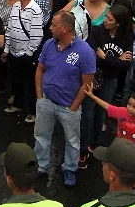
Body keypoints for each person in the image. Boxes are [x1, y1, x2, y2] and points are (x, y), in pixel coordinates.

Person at [34, 12, 95, 187]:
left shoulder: (85, 52)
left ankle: (70, 168)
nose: (50, 28)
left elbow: (87, 84)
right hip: (46, 101)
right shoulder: (48, 45)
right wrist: (39, 96)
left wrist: (74, 107)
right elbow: (40, 69)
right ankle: (41, 165)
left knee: (72, 141)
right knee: (41, 136)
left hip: (69, 107)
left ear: (65, 28)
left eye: (54, 25)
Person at [3, 0, 44, 123]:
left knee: (31, 84)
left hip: (27, 55)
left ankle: (32, 111)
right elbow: (9, 28)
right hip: (14, 53)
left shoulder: (35, 10)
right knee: (16, 81)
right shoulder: (15, 7)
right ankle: (18, 105)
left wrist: (29, 53)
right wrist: (7, 49)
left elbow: (37, 35)